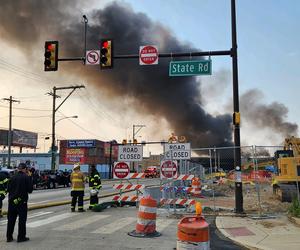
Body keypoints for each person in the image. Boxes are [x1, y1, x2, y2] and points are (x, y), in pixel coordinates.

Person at [6, 163, 33, 243]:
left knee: (10, 220)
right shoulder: (26, 177)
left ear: (18, 169)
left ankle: (9, 237)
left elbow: (8, 189)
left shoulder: (12, 177)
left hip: (12, 202)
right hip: (22, 202)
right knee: (22, 220)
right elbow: (30, 190)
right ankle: (21, 237)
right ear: (25, 169)